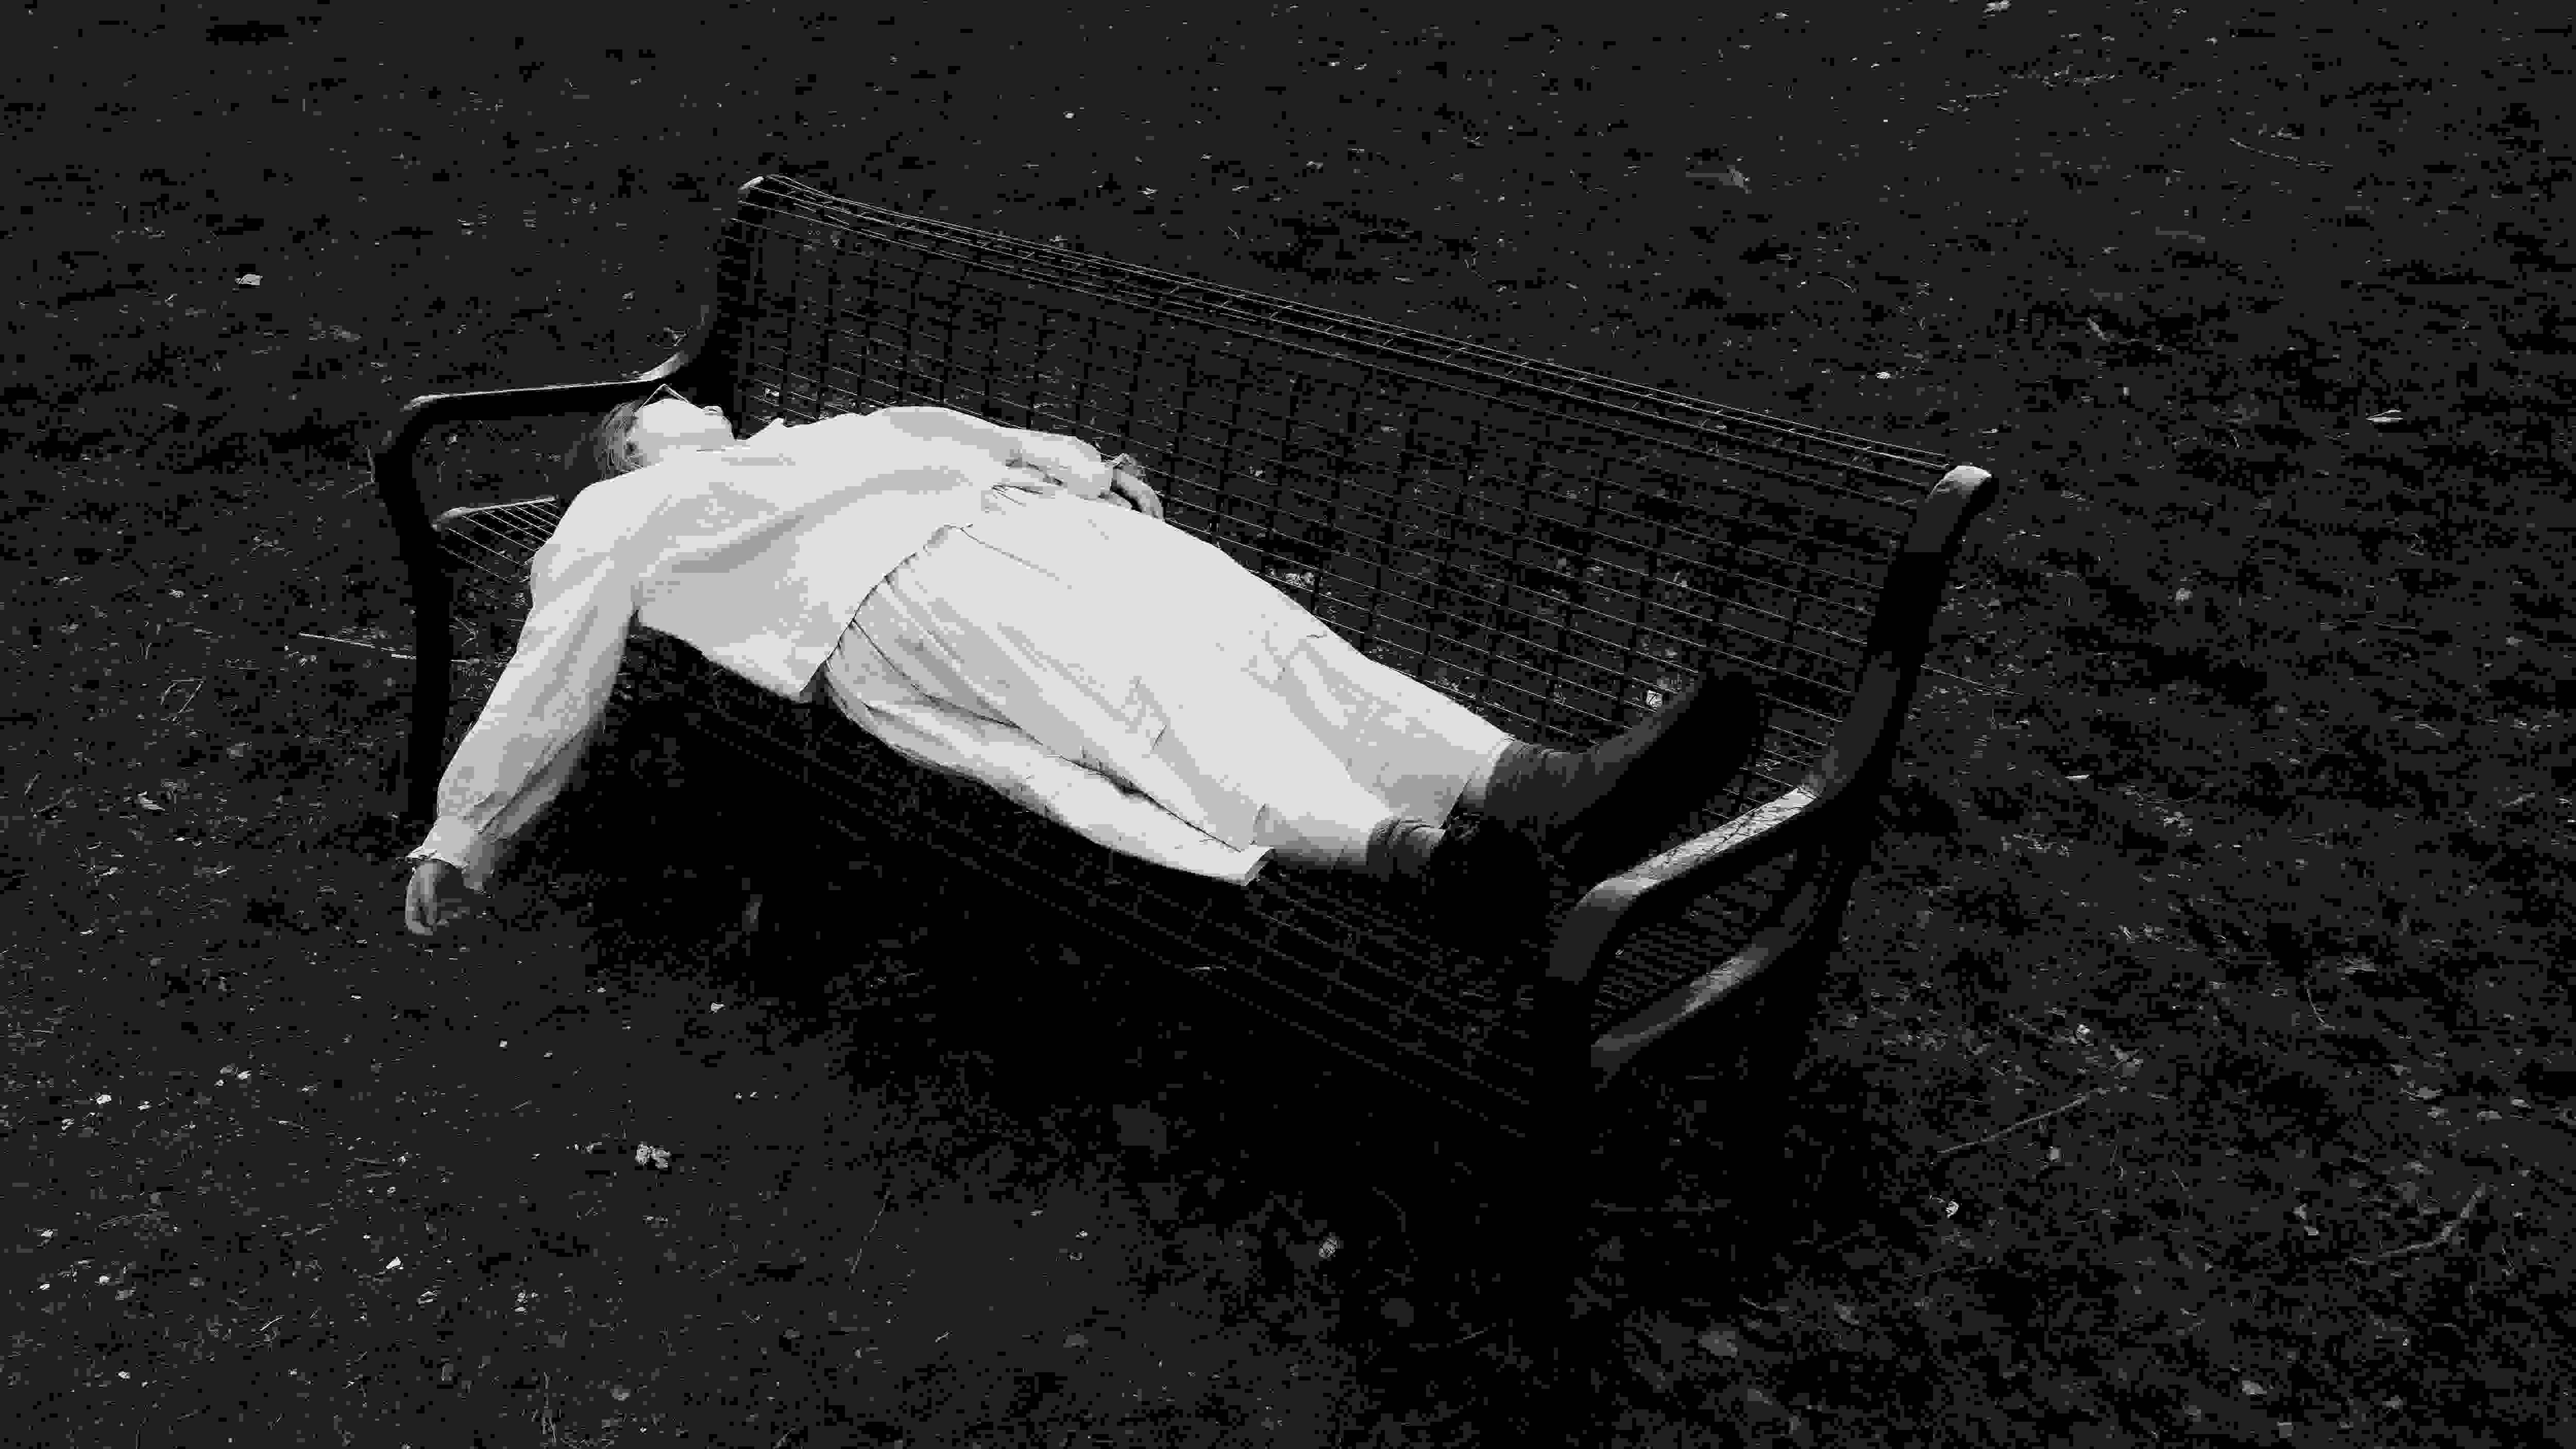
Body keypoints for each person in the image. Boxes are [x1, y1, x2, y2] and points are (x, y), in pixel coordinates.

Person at [401, 385, 1762, 954]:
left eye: (675, 399)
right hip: (900, 600)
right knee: (1156, 713)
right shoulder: (621, 519)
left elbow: (969, 433)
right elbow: (551, 666)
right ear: (636, 453)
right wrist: (467, 829)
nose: (685, 404)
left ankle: (1537, 788)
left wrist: (1071, 468)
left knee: (1276, 646)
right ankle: (1416, 859)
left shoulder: (835, 429)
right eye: (653, 412)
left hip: (1039, 532)